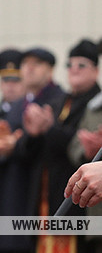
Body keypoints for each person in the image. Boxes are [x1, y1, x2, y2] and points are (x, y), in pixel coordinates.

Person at [24, 40, 100, 253]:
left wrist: (50, 128)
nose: (74, 70)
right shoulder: (59, 101)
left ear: (96, 70)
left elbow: (77, 146)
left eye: (81, 65)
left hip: (76, 199)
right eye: (69, 65)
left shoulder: (96, 104)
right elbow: (38, 150)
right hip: (46, 195)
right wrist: (33, 134)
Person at [0, 49, 34, 253]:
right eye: (6, 81)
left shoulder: (32, 112)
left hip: (24, 193)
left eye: (16, 80)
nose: (11, 86)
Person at [67, 39, 102, 253]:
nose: (74, 70)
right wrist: (89, 152)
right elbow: (73, 147)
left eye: (82, 65)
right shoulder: (95, 107)